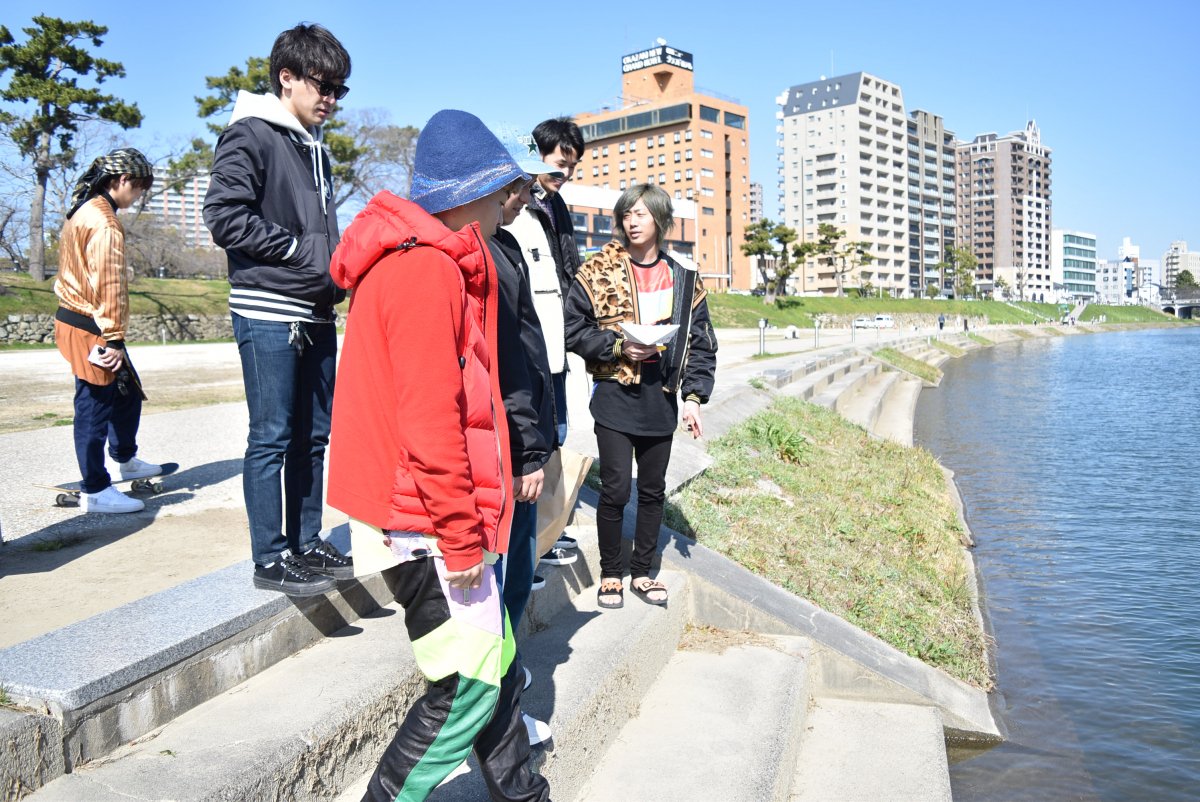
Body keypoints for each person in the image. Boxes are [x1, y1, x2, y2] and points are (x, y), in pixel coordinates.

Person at [326, 109, 549, 802]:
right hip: (424, 520)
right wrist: (461, 537)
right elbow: (431, 424)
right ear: (469, 193)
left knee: (496, 662)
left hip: (423, 512)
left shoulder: (416, 259)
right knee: (464, 690)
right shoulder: (425, 270)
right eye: (499, 192)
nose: (506, 205)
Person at [204, 23, 353, 596]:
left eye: (340, 89)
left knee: (314, 436)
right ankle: (270, 556)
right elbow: (224, 217)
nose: (332, 100)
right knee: (271, 435)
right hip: (267, 309)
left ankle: (306, 541)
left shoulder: (313, 146)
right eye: (324, 86)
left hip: (315, 310)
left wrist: (335, 269)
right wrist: (302, 250)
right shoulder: (251, 133)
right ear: (287, 77)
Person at [564, 184, 717, 609]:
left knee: (652, 491)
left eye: (641, 214)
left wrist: (693, 398)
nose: (632, 221)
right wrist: (616, 346)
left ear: (661, 220)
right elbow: (572, 330)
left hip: (660, 396)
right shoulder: (598, 272)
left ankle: (642, 572)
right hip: (614, 393)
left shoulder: (684, 279)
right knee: (615, 489)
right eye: (626, 214)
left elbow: (702, 343)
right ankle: (611, 573)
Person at [489, 145, 563, 746]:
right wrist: (526, 449)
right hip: (503, 442)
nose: (522, 202)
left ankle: (508, 676)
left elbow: (530, 348)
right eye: (515, 192)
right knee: (501, 574)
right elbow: (503, 360)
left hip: (525, 426)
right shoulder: (472, 250)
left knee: (520, 570)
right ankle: (501, 694)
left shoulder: (508, 243)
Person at [53, 148, 161, 513]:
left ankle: (125, 460)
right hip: (92, 326)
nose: (140, 195)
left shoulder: (85, 209)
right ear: (122, 181)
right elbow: (109, 283)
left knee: (127, 392)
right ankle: (96, 489)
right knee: (93, 405)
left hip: (79, 319)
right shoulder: (104, 222)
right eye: (140, 187)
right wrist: (113, 337)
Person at [502, 116, 584, 569]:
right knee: (531, 444)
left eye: (571, 169)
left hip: (556, 344)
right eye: (556, 166)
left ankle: (548, 534)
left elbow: (567, 272)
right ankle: (528, 547)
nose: (563, 177)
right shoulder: (517, 210)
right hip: (530, 348)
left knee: (555, 437)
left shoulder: (556, 207)